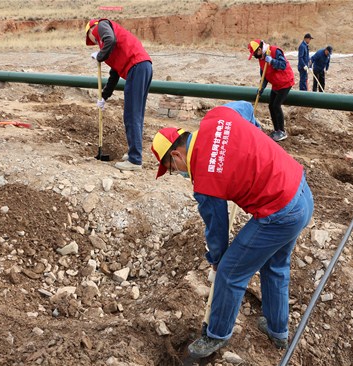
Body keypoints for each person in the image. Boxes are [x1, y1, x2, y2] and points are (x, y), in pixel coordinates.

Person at [150, 101, 314, 359]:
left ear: (176, 156)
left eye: (172, 170)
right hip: (301, 191)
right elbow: (246, 108)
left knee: (230, 272)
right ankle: (277, 331)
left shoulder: (204, 180)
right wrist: (252, 133)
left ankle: (215, 335)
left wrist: (217, 262)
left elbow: (217, 231)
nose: (177, 173)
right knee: (275, 264)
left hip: (280, 212)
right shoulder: (217, 117)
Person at [85, 18, 153, 171]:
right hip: (143, 66)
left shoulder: (99, 26)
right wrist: (104, 96)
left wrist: (100, 56)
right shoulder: (113, 47)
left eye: (92, 39)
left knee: (131, 115)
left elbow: (109, 39)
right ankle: (133, 153)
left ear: (90, 30)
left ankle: (135, 160)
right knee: (136, 115)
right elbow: (114, 75)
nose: (95, 41)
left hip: (137, 67)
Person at [247, 39, 295, 142]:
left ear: (259, 49)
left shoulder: (274, 51)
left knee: (276, 105)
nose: (255, 56)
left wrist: (272, 61)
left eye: (255, 53)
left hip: (285, 82)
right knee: (270, 106)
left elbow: (283, 65)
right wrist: (261, 88)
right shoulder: (261, 58)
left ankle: (282, 131)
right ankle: (276, 130)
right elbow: (264, 76)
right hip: (276, 83)